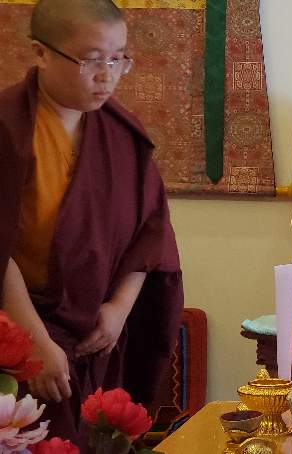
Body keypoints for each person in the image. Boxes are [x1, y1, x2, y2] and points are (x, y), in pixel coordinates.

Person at [0, 0, 183, 442]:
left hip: (98, 338)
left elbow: (151, 235)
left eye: (118, 59)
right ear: (41, 53)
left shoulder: (123, 134)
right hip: (15, 334)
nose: (108, 76)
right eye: (92, 60)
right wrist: (33, 341)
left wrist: (118, 310)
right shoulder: (7, 128)